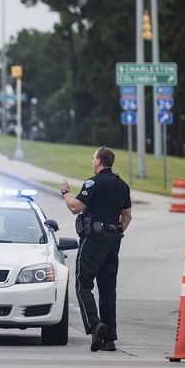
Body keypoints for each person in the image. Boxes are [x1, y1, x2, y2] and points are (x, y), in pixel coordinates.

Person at [60, 146, 132, 352]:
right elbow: (127, 216)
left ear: (99, 161)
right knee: (108, 289)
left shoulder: (93, 182)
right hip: (113, 240)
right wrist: (116, 233)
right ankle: (109, 340)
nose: (92, 162)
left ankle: (95, 324)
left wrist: (65, 192)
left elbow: (75, 207)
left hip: (93, 239)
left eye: (93, 159)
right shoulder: (122, 185)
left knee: (83, 284)